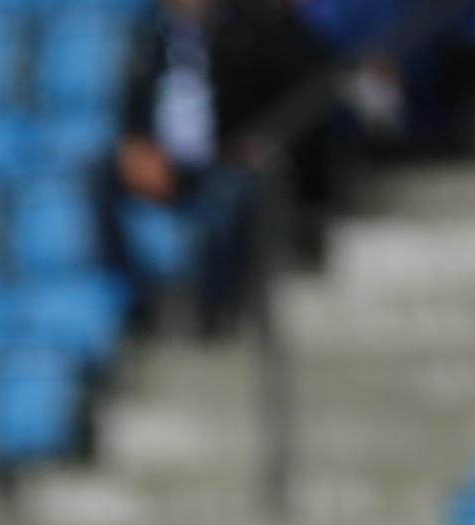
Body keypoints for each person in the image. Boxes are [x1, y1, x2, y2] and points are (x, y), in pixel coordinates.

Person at [95, 0, 328, 332]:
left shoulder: (250, 31)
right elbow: (133, 100)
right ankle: (136, 301)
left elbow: (292, 87)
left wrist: (266, 140)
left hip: (225, 156)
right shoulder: (150, 38)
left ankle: (215, 311)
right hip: (164, 160)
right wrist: (138, 146)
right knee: (100, 179)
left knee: (228, 198)